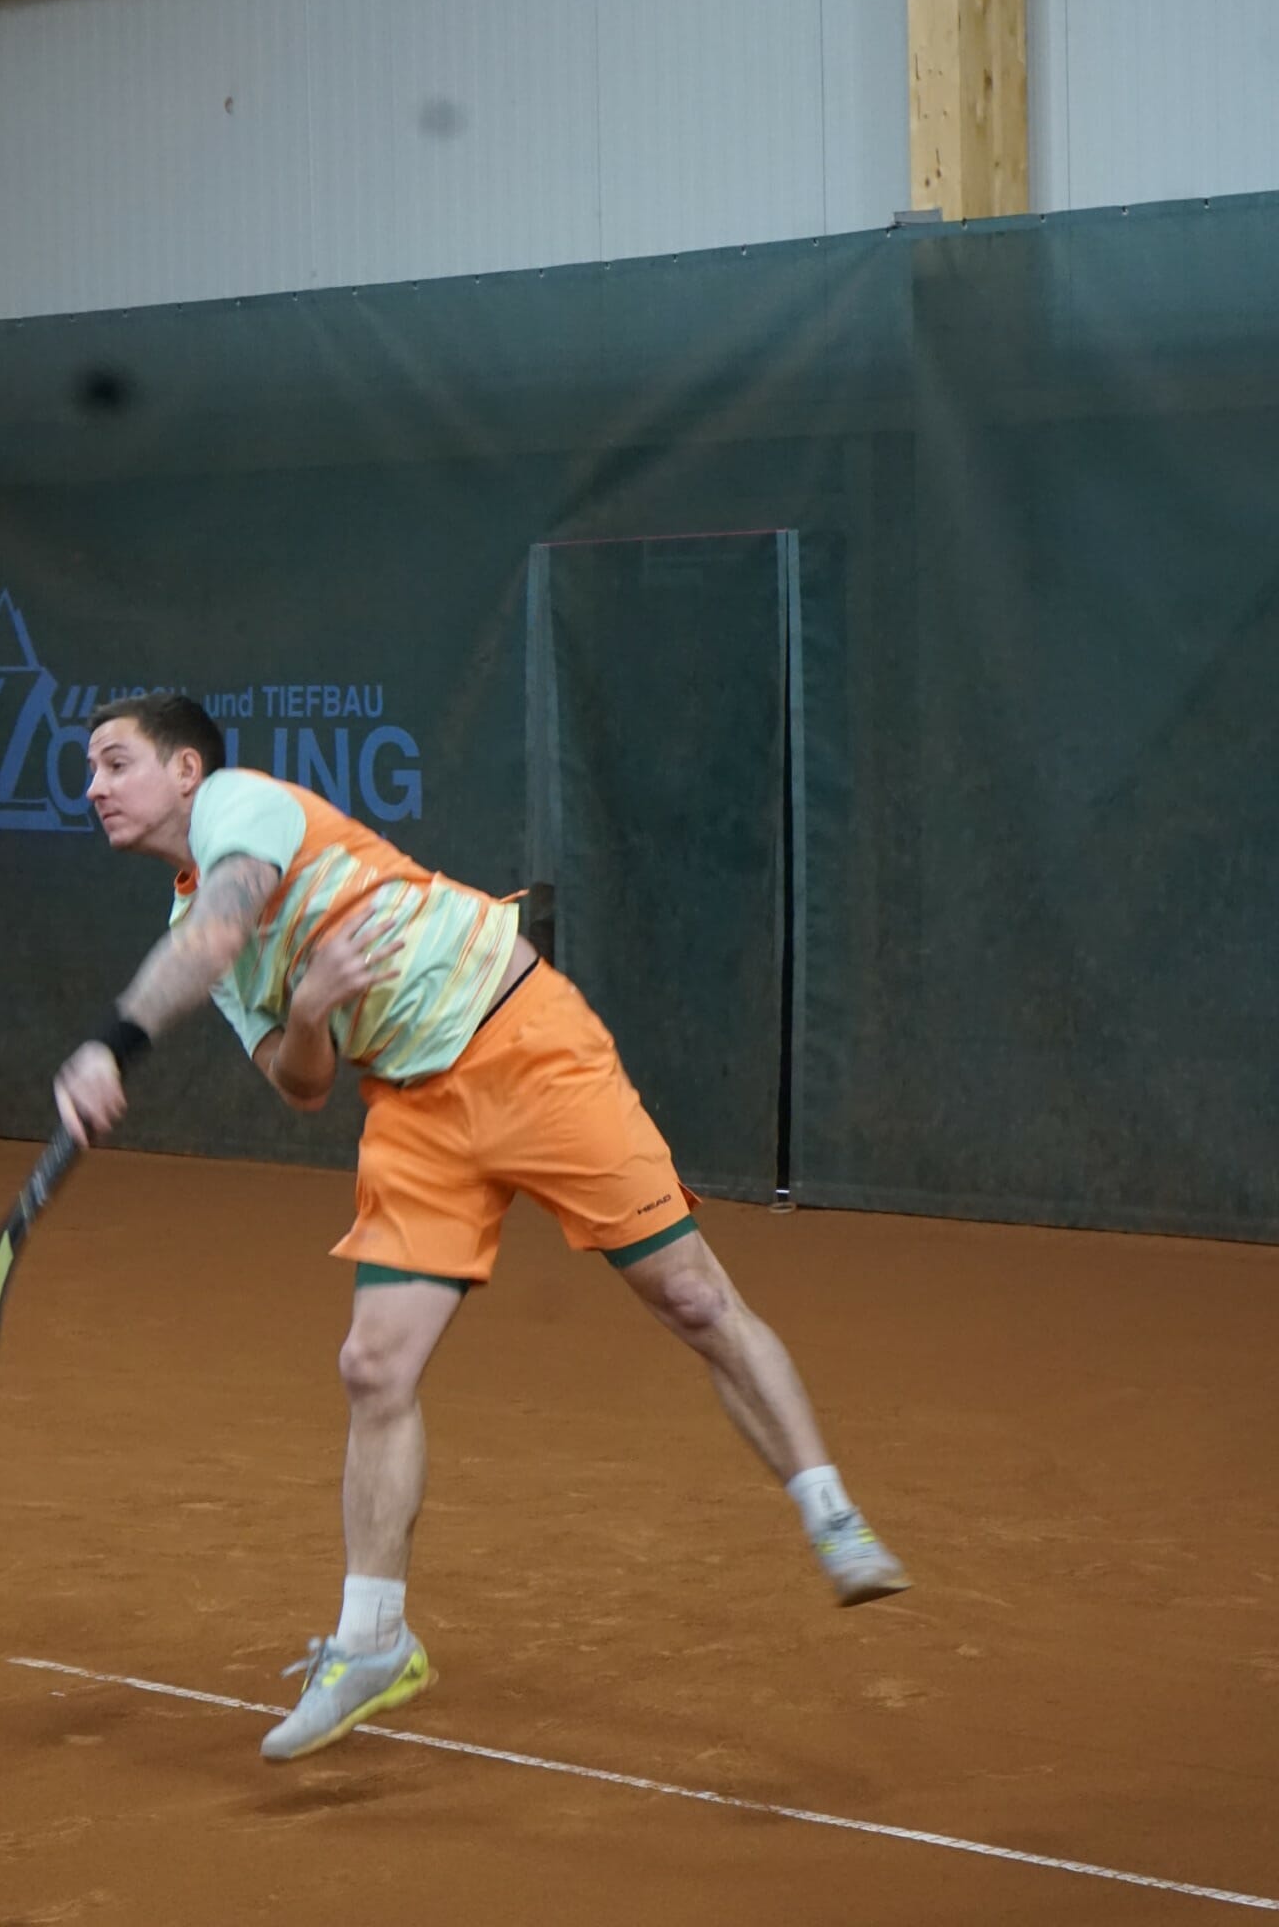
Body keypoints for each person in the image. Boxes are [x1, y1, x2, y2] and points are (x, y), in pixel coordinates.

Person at [55, 692, 908, 1763]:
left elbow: (227, 918)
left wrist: (112, 1042)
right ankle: (373, 1642)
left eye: (114, 762)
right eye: (90, 770)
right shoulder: (193, 936)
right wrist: (311, 1007)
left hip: (524, 1045)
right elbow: (299, 1083)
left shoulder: (241, 805)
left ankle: (831, 1515)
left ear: (186, 771)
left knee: (693, 1298)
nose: (93, 788)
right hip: (415, 1110)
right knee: (372, 1368)